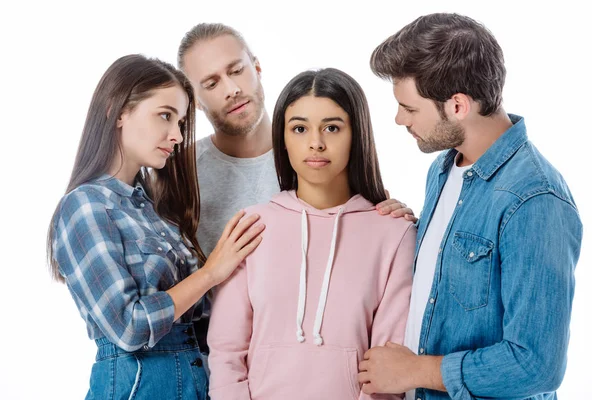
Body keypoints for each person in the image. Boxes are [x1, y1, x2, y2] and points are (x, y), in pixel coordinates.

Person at [359, 13, 583, 400]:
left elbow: (536, 366)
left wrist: (416, 371)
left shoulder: (534, 200)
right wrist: (409, 231)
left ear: (458, 105)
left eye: (409, 108)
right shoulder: (443, 170)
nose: (398, 119)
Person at [177, 22, 416, 354]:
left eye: (236, 70)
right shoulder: (177, 174)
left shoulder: (318, 157)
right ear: (195, 101)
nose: (231, 88)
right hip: (206, 363)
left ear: (257, 68)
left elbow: (366, 237)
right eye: (212, 83)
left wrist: (392, 215)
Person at [47, 54, 264, 400]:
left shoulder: (154, 208)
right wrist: (210, 273)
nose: (176, 135)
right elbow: (128, 327)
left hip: (197, 378)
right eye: (165, 115)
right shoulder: (85, 205)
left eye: (179, 122)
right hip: (139, 385)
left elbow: (200, 312)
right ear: (118, 111)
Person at [207, 68, 416, 400]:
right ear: (283, 138)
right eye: (300, 128)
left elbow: (390, 360)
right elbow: (226, 352)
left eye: (332, 128)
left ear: (357, 134)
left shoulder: (395, 233)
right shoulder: (251, 225)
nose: (316, 143)